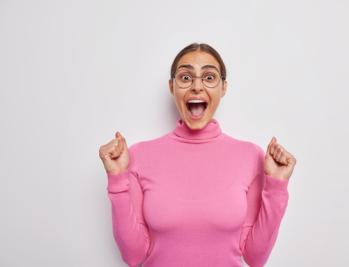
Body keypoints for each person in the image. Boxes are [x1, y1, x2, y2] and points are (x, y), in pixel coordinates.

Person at [98, 42, 297, 267]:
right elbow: (133, 256)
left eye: (209, 77)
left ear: (223, 87)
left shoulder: (251, 156)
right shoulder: (138, 156)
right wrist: (116, 179)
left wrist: (277, 185)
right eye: (185, 78)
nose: (196, 87)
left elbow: (255, 257)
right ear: (172, 86)